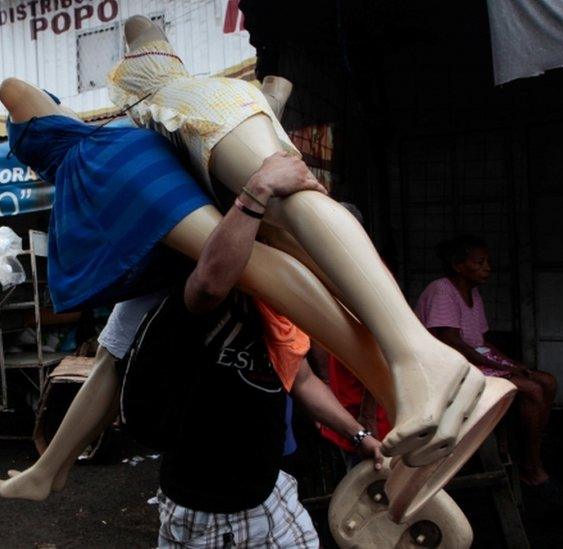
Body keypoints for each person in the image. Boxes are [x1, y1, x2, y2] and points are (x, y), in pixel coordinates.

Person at [106, 15, 488, 465]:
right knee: (303, 245)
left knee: (293, 206)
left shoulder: (162, 98)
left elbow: (138, 24)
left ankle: (418, 359)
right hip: (230, 125)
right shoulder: (176, 126)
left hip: (211, 113)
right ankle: (411, 389)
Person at [121, 152, 381, 547]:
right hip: (209, 513)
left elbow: (302, 378)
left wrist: (361, 437)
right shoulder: (212, 294)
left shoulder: (282, 309)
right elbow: (209, 284)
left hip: (271, 494)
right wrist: (259, 188)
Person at [416, 235, 563, 506]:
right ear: (459, 266)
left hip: (475, 359)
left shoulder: (473, 293)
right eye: (479, 263)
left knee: (547, 381)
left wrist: (511, 364)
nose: (487, 268)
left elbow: (481, 341)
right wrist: (499, 366)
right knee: (531, 390)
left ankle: (530, 449)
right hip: (450, 366)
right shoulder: (442, 289)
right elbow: (451, 341)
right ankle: (531, 467)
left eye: (487, 262)